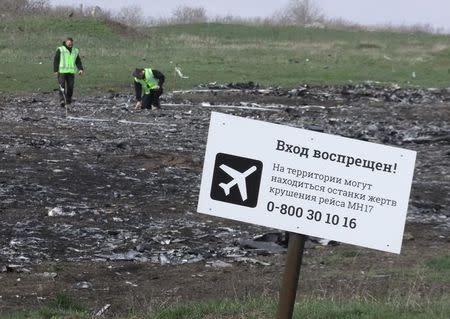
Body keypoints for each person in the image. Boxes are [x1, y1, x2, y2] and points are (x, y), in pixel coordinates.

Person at [53, 37, 84, 107]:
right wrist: (55, 70)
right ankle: (62, 100)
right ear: (66, 42)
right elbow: (56, 60)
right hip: (62, 72)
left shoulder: (75, 50)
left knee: (70, 87)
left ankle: (68, 100)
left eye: (71, 43)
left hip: (71, 72)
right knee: (62, 86)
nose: (70, 44)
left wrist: (80, 69)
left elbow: (78, 61)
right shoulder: (60, 49)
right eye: (69, 43)